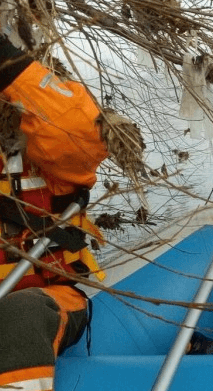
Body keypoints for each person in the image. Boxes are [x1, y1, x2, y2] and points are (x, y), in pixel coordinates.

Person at [0, 35, 108, 390]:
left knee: (18, 314)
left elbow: (75, 133)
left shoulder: (43, 158)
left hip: (42, 301)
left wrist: (10, 67)